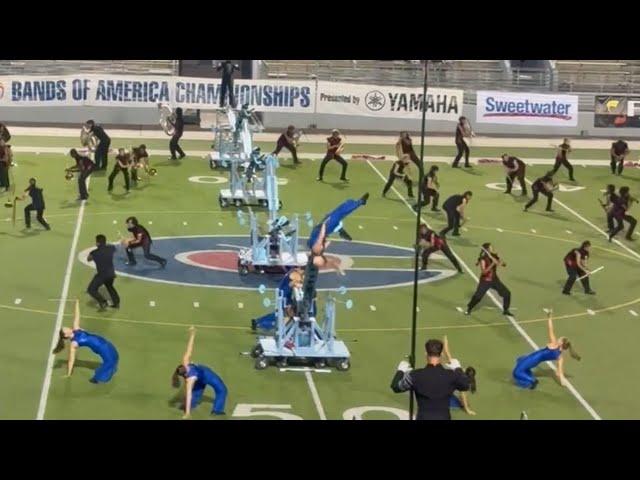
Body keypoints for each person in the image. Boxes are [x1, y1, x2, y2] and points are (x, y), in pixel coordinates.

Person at [390, 339, 472, 420]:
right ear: (441, 355)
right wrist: (458, 368)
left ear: (426, 354)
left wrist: (400, 371)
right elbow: (466, 385)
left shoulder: (415, 375)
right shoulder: (451, 375)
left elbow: (396, 387)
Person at [52, 299, 119, 383]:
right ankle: (97, 378)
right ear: (66, 335)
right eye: (66, 329)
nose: (68, 328)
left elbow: (77, 316)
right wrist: (69, 373)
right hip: (100, 348)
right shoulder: (74, 343)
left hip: (103, 341)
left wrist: (76, 303)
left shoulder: (76, 328)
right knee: (110, 360)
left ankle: (106, 371)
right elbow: (71, 359)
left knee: (114, 356)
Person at [512, 309, 580, 389]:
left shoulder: (555, 344)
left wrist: (549, 317)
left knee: (516, 372)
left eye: (560, 339)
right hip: (535, 359)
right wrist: (562, 381)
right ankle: (529, 376)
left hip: (533, 359)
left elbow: (550, 329)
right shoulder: (560, 357)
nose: (558, 338)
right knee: (520, 360)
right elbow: (559, 373)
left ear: (561, 343)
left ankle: (532, 381)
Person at [172, 327, 227, 418]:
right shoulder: (190, 378)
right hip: (207, 375)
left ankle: (185, 407)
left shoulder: (187, 367)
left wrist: (192, 335)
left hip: (201, 378)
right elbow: (188, 394)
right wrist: (187, 414)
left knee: (195, 393)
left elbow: (189, 348)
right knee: (221, 390)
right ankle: (217, 411)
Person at [465, 243, 512, 316]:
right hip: (485, 280)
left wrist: (499, 258)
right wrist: (492, 264)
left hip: (495, 280)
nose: (492, 248)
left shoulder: (494, 256)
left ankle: (506, 310)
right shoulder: (483, 259)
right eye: (491, 247)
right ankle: (469, 308)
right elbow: (484, 272)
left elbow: (504, 264)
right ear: (487, 249)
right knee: (478, 297)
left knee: (507, 293)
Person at [442, 335, 477, 415]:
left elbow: (447, 352)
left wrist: (445, 341)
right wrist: (467, 409)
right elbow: (463, 395)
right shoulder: (464, 380)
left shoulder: (456, 364)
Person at [87, 234, 120, 310]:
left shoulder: (94, 252)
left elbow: (88, 259)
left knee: (91, 289)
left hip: (102, 275)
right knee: (110, 287)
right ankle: (116, 303)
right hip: (111, 274)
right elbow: (114, 248)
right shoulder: (111, 248)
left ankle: (103, 302)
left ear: (97, 243)